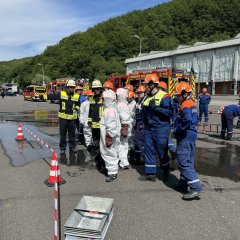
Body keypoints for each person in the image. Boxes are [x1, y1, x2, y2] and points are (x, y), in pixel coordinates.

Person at [139, 74, 172, 182]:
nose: (145, 87)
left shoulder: (164, 96)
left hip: (161, 128)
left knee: (161, 149)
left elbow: (169, 112)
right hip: (149, 128)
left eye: (146, 85)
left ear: (152, 85)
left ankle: (166, 170)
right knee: (148, 149)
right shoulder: (146, 97)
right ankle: (150, 174)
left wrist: (156, 108)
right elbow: (144, 112)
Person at [173, 81, 202, 200]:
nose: (176, 97)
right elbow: (195, 119)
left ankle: (195, 187)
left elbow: (187, 120)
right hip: (191, 134)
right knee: (188, 159)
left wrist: (178, 130)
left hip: (185, 135)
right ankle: (183, 184)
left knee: (182, 161)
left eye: (178, 95)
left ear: (184, 94)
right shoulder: (191, 103)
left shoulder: (185, 105)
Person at [100, 89, 121, 182]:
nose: (102, 100)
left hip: (108, 137)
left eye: (103, 99)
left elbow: (111, 125)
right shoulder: (112, 109)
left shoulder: (109, 111)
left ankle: (112, 172)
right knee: (111, 152)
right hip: (110, 136)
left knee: (109, 153)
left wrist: (109, 137)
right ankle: (111, 170)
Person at [58, 79, 80, 154]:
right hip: (63, 118)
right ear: (67, 87)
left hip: (72, 118)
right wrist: (41, 96)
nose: (72, 89)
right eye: (70, 87)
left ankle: (72, 147)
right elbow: (51, 96)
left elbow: (78, 104)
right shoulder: (62, 94)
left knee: (72, 134)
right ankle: (62, 148)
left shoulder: (77, 96)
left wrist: (76, 108)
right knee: (63, 133)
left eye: (73, 87)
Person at [87, 79, 104, 168]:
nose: (96, 90)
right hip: (94, 125)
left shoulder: (104, 98)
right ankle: (98, 157)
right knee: (96, 141)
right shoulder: (92, 99)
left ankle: (103, 158)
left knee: (103, 142)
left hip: (103, 125)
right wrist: (89, 120)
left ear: (100, 89)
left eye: (97, 89)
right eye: (94, 89)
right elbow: (90, 111)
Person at [116, 88, 131, 170]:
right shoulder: (123, 104)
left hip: (121, 128)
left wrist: (124, 129)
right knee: (124, 145)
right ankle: (124, 162)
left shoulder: (121, 105)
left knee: (121, 145)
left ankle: (123, 163)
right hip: (123, 128)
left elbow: (124, 118)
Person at [133, 85, 146, 164]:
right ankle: (138, 158)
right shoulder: (138, 101)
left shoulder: (144, 101)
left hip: (142, 123)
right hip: (138, 122)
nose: (139, 94)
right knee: (137, 141)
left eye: (141, 93)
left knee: (140, 141)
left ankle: (143, 157)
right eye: (138, 93)